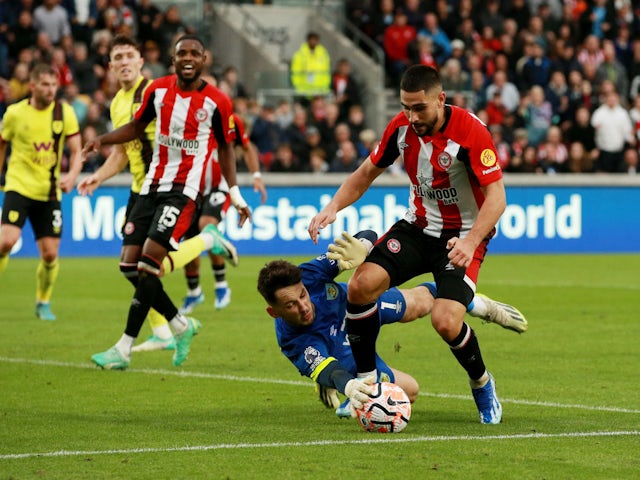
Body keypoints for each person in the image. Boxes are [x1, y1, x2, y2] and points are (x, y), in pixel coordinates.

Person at [308, 65, 507, 425]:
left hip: (461, 234)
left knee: (445, 322)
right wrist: (332, 207)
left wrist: (472, 239)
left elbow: (497, 197)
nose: (412, 116)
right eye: (406, 107)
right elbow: (367, 171)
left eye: (419, 108)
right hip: (417, 226)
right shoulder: (400, 128)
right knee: (361, 285)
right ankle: (367, 383)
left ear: (441, 100)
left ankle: (482, 384)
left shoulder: (470, 132)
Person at [81, 34, 251, 370]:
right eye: (181, 53)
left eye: (194, 53)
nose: (188, 58)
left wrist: (235, 193)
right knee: (128, 266)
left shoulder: (217, 101)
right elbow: (136, 127)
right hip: (149, 188)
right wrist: (101, 139)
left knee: (148, 265)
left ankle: (124, 347)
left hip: (183, 192)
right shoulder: (157, 91)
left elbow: (227, 148)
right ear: (173, 60)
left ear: (204, 59)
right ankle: (180, 325)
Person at [258, 230, 527, 418]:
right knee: (408, 392)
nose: (303, 306)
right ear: (274, 312)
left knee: (421, 304)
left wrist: (362, 246)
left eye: (303, 296)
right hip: (342, 353)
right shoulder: (292, 340)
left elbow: (369, 234)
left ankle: (478, 305)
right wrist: (348, 386)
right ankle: (338, 387)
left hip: (358, 310)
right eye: (291, 305)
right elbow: (332, 369)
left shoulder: (309, 274)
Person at [0, 62, 83, 321]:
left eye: (54, 84)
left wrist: (73, 174)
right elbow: (2, 144)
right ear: (32, 86)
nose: (51, 90)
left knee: (49, 254)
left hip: (49, 192)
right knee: (6, 241)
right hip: (19, 187)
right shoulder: (15, 114)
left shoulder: (65, 113)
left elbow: (77, 150)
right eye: (45, 85)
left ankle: (43, 302)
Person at [179, 112, 267, 314]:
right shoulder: (184, 114)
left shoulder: (230, 119)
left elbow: (247, 147)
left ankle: (221, 285)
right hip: (192, 188)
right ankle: (194, 291)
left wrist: (256, 176)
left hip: (219, 187)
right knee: (189, 239)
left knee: (206, 226)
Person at [290, 32, 331, 103]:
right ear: (308, 40)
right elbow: (295, 72)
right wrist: (297, 87)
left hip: (319, 91)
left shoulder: (324, 55)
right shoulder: (299, 55)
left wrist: (325, 88)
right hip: (304, 91)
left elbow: (326, 73)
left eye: (315, 40)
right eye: (311, 40)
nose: (313, 42)